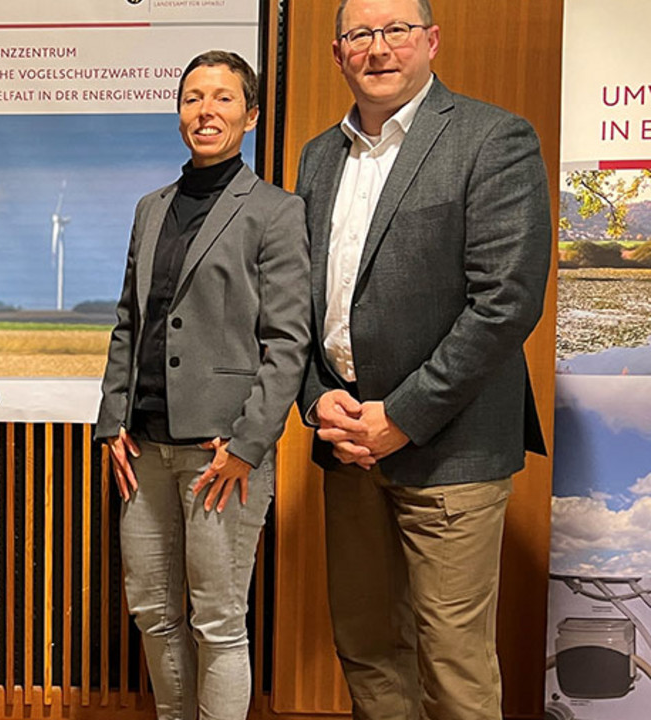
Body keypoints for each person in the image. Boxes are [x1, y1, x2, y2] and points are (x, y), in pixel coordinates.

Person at [295, 0, 552, 718]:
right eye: (359, 35)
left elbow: (506, 301)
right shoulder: (318, 158)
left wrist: (402, 416)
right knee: (368, 646)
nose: (378, 48)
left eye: (396, 30)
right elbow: (297, 300)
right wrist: (316, 397)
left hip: (452, 447)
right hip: (347, 444)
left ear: (431, 41)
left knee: (453, 660)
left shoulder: (492, 138)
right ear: (338, 53)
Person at [95, 51, 310, 720]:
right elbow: (131, 320)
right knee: (153, 612)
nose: (205, 110)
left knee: (217, 620)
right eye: (193, 97)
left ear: (250, 116)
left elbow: (288, 341)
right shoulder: (150, 208)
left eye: (222, 99)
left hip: (222, 454)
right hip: (144, 449)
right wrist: (111, 421)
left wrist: (249, 445)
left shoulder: (275, 211)